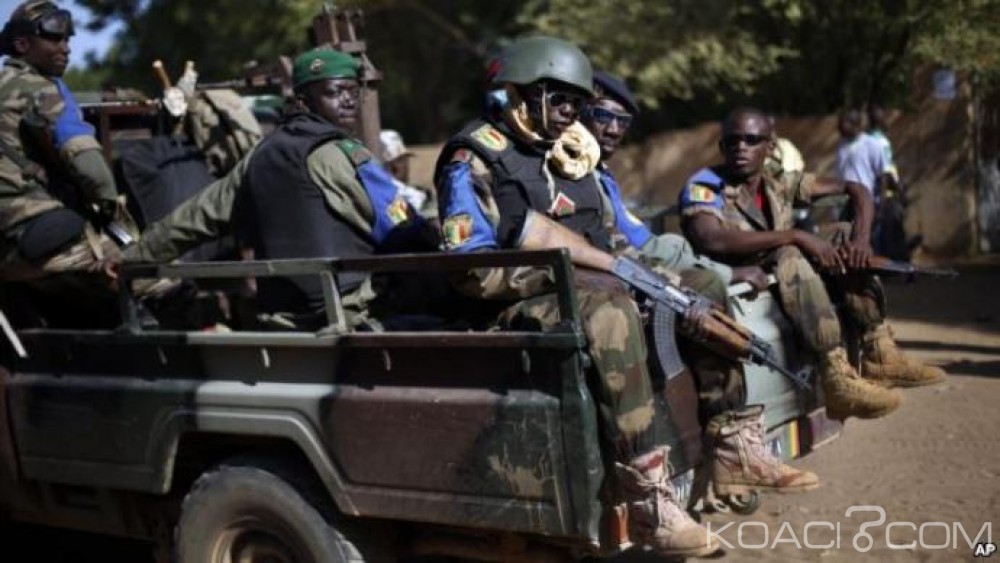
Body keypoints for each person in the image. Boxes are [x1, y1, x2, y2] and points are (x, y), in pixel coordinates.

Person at [580, 69, 814, 510]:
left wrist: (712, 272)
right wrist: (711, 273)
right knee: (701, 282)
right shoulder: (570, 167)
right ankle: (656, 478)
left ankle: (731, 443)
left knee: (702, 279)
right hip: (601, 285)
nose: (612, 129)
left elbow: (640, 239)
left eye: (622, 122)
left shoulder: (597, 173)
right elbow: (618, 249)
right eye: (602, 116)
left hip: (628, 269)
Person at [119, 47, 436, 330]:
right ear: (302, 100)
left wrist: (131, 259)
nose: (349, 101)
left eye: (354, 92)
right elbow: (407, 230)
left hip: (282, 322)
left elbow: (193, 220)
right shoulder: (344, 156)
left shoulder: (258, 157)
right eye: (336, 92)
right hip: (352, 317)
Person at [678, 108, 945, 420]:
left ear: (770, 146)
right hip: (738, 279)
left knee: (842, 236)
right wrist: (795, 236)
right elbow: (712, 239)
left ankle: (879, 351)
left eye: (752, 140)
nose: (741, 147)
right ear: (722, 148)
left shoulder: (775, 181)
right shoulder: (707, 184)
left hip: (783, 275)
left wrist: (860, 239)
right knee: (790, 250)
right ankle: (834, 373)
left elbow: (855, 189)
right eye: (732, 141)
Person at [0, 2, 128, 301]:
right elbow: (89, 166)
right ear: (22, 45)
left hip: (8, 250)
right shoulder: (41, 89)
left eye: (68, 39)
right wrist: (114, 214)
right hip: (38, 237)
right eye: (55, 39)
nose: (66, 48)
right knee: (161, 278)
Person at [378, 129, 437, 223]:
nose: (407, 165)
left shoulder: (377, 190)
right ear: (394, 165)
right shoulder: (398, 194)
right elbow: (402, 223)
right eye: (402, 160)